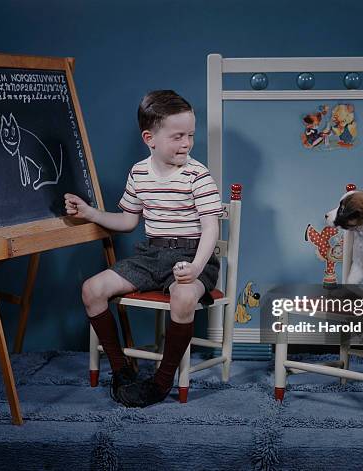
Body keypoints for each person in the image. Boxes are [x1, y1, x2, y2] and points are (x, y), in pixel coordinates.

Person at [64, 90, 223, 407]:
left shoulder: (198, 175)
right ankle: (122, 371)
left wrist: (195, 268)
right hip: (152, 255)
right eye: (177, 136)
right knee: (92, 289)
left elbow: (210, 228)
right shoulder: (139, 173)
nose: (187, 144)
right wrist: (90, 213)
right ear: (150, 138)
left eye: (190, 135)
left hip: (195, 256)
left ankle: (161, 382)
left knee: (182, 294)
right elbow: (127, 220)